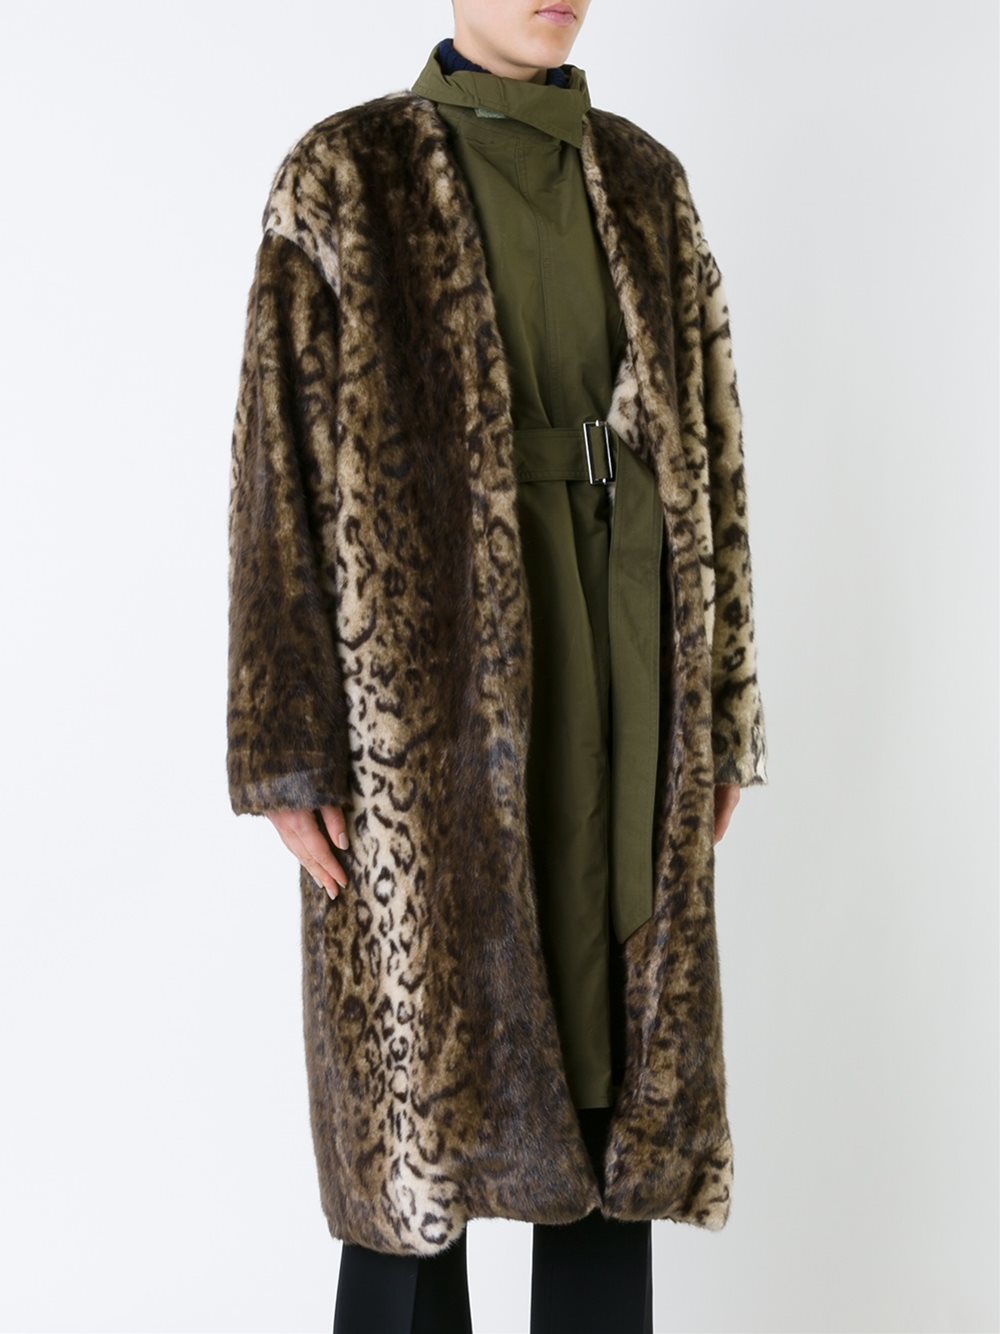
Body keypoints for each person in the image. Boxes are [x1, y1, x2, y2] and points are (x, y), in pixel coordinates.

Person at [226, 2, 768, 1331]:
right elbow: (276, 478)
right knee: (419, 1126)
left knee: (613, 1111)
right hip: (424, 706)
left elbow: (715, 459)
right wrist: (287, 747)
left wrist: (719, 711)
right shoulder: (344, 176)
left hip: (623, 668)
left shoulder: (646, 184)